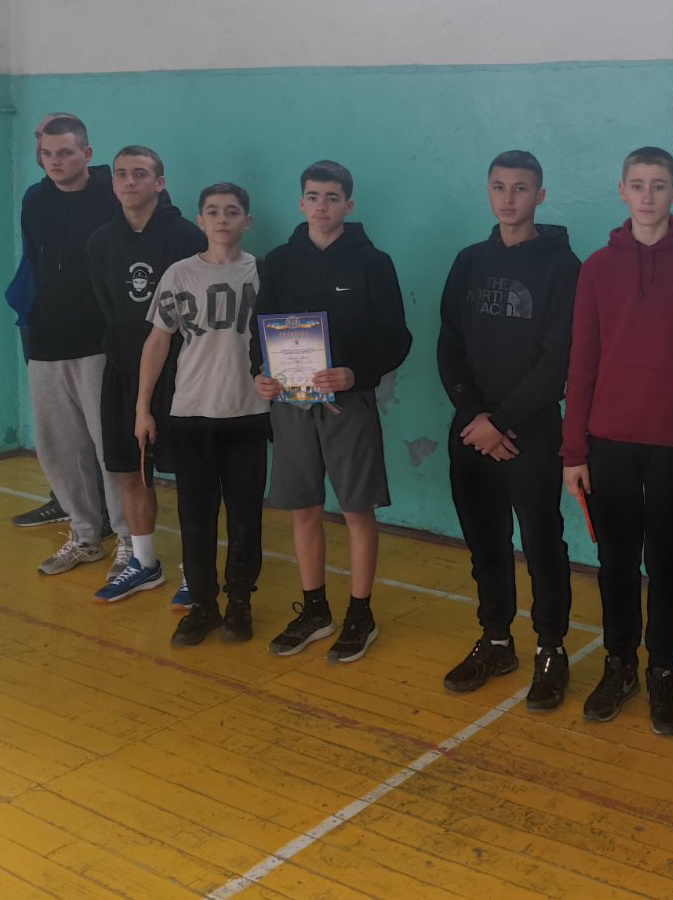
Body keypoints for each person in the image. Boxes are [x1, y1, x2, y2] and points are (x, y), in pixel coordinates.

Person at [561, 146, 673, 736]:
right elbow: (581, 365)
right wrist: (574, 451)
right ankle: (619, 666)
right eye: (636, 184)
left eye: (658, 185)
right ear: (622, 191)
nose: (647, 196)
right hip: (608, 443)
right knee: (614, 563)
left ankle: (663, 670)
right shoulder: (596, 268)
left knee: (667, 564)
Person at [253, 160, 412, 663]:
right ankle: (315, 609)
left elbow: (397, 338)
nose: (321, 206)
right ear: (301, 203)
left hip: (348, 404)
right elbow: (260, 329)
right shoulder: (278, 261)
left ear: (349, 204)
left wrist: (356, 373)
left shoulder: (373, 263)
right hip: (292, 405)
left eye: (332, 197)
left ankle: (360, 613)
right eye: (313, 196)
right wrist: (260, 374)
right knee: (303, 509)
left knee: (356, 509)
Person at [438, 151, 579, 709]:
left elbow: (558, 359)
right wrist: (477, 417)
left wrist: (501, 421)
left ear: (539, 196)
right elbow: (450, 344)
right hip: (471, 430)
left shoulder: (564, 268)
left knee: (542, 545)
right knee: (486, 545)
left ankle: (551, 650)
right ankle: (496, 641)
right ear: (489, 192)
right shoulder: (469, 261)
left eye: (520, 188)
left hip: (530, 432)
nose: (508, 198)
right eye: (499, 186)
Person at [135, 183, 271, 645]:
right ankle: (203, 606)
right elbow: (158, 341)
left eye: (232, 211)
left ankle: (240, 602)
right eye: (212, 211)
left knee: (245, 517)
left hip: (249, 413)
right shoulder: (180, 274)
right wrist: (143, 408)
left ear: (247, 221)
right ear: (200, 220)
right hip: (191, 413)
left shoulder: (262, 273)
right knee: (195, 518)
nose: (222, 218)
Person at [87, 145, 206, 603]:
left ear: (160, 183)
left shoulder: (187, 237)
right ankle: (144, 563)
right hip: (123, 373)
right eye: (121, 174)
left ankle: (196, 571)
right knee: (128, 470)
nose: (129, 182)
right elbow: (109, 308)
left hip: (181, 376)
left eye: (140, 174)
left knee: (192, 476)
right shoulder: (100, 242)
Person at [20, 116, 130, 577]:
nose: (54, 161)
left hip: (98, 343)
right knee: (60, 448)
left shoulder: (112, 196)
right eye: (46, 153)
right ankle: (85, 535)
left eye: (64, 152)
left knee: (111, 448)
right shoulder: (34, 199)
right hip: (45, 342)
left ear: (86, 154)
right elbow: (36, 261)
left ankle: (130, 540)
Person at [8, 113, 78, 529]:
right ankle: (63, 499)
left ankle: (103, 513)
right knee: (54, 423)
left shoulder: (103, 192)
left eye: (57, 145)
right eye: (40, 141)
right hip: (38, 321)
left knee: (90, 424)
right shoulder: (35, 198)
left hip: (86, 331)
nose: (45, 150)